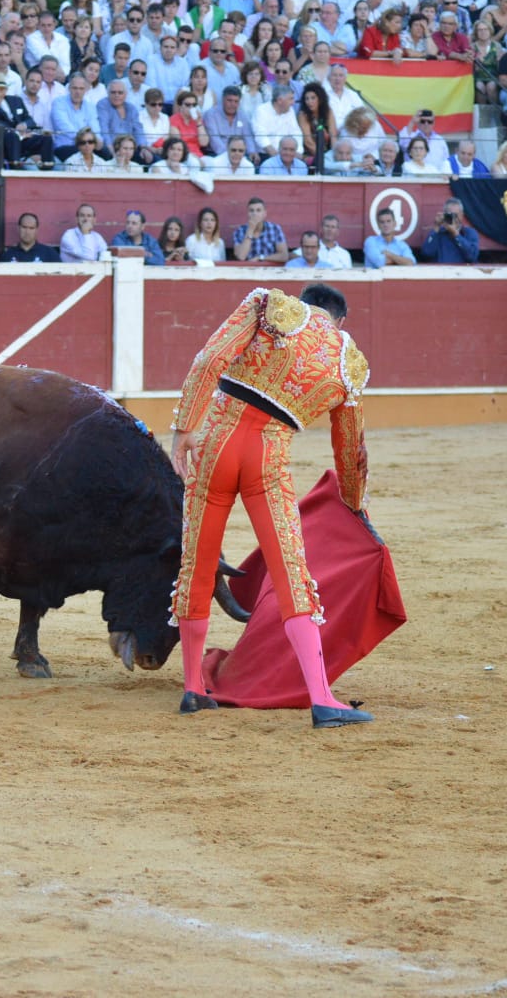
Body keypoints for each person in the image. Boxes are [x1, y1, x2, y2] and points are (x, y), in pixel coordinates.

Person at [168, 283, 376, 728]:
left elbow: (210, 359)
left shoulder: (269, 306)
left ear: (304, 304)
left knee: (198, 564)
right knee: (291, 574)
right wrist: (354, 504)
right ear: (339, 322)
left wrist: (184, 426)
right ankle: (321, 698)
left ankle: (191, 688)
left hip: (217, 443)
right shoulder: (348, 361)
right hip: (269, 456)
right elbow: (350, 451)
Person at [231, 196, 287, 263]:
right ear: (248, 214)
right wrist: (250, 230)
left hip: (271, 270)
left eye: (258, 210)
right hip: (248, 270)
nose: (255, 214)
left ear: (264, 214)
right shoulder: (239, 231)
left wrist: (261, 257)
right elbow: (241, 257)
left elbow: (284, 256)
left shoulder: (275, 229)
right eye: (251, 211)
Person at [421, 197, 479, 263]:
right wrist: (436, 227)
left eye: (456, 215)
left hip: (462, 272)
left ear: (462, 215)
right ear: (445, 215)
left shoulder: (469, 232)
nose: (454, 218)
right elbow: (427, 253)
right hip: (441, 271)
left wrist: (456, 234)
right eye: (451, 215)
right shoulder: (438, 233)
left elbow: (472, 256)